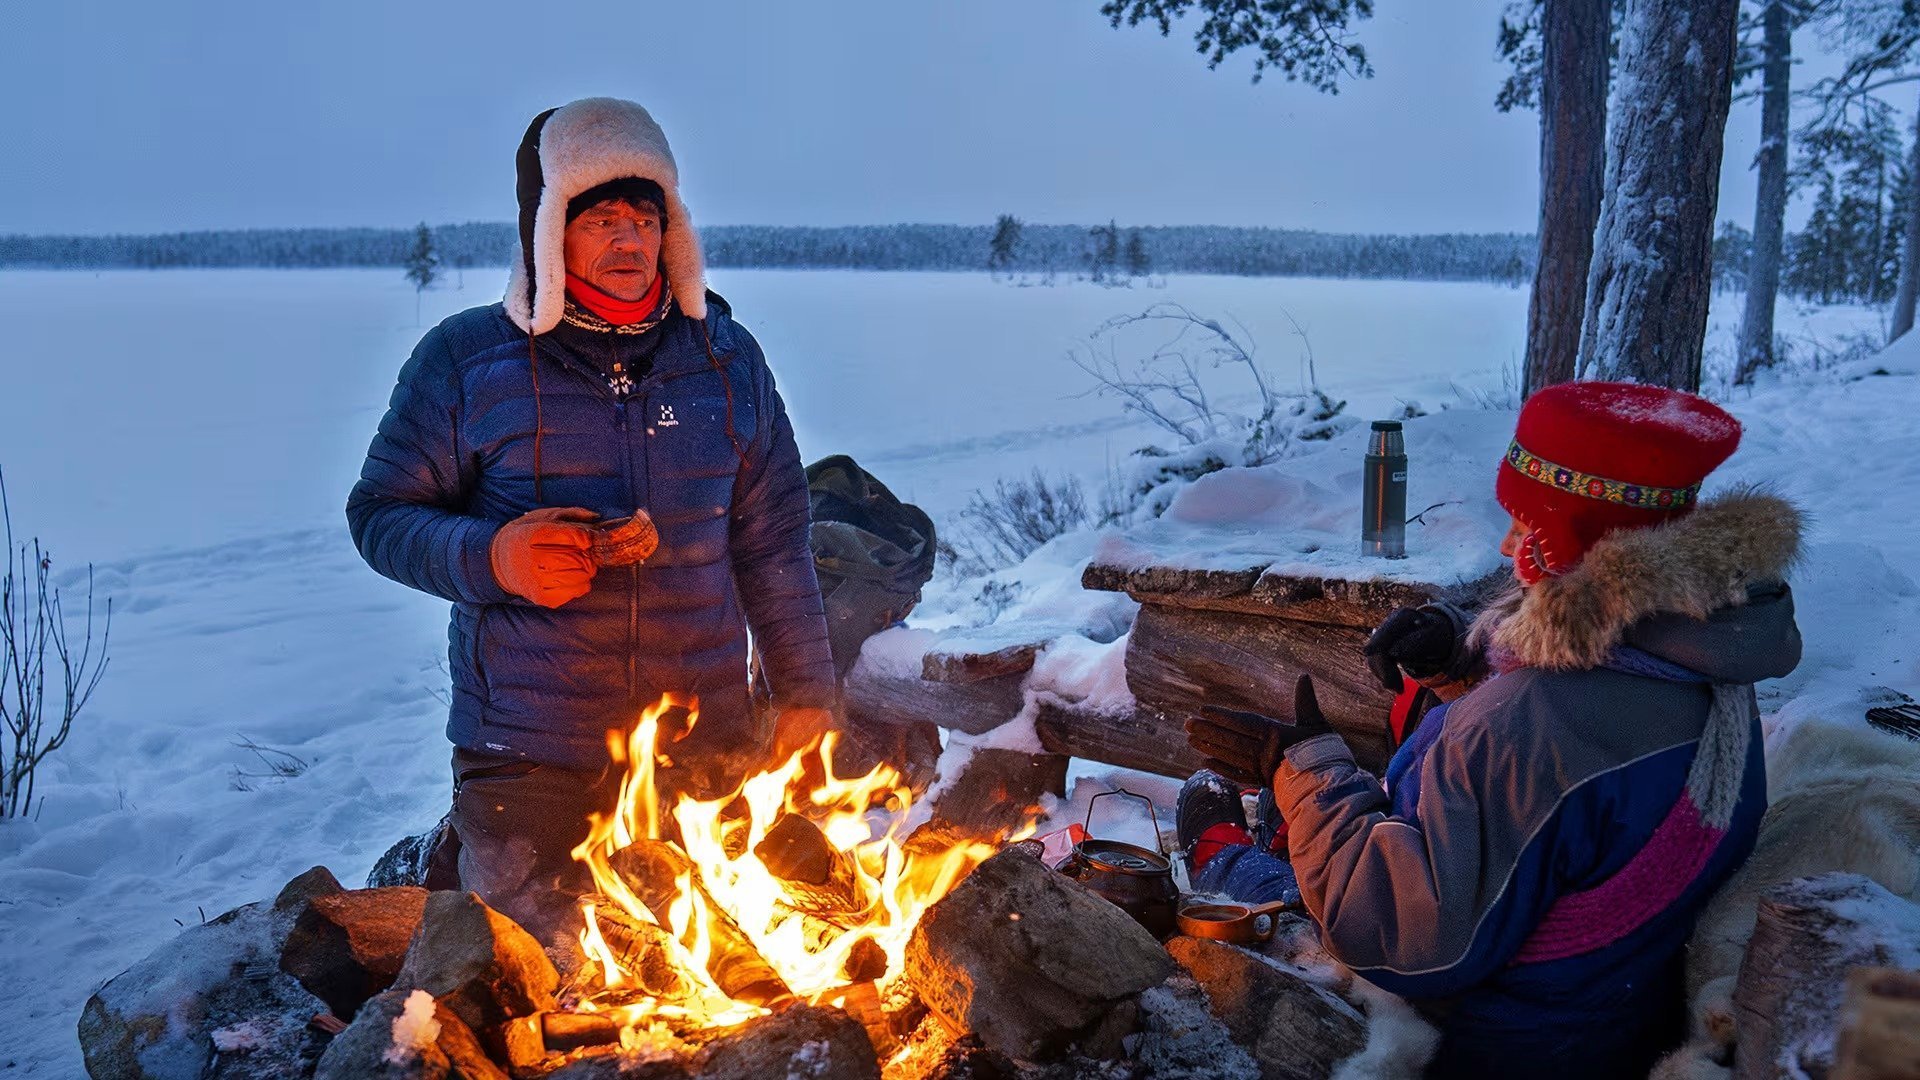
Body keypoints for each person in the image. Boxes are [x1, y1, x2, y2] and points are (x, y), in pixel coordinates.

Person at [1179, 382, 1802, 1078]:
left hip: (1482, 1037)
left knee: (1238, 881)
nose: (1507, 543)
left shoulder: (1527, 725)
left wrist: (1308, 769)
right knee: (1293, 823)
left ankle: (1219, 851)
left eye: (1527, 524)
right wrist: (1462, 657)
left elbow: (1399, 937)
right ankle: (1275, 832)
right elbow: (1566, 785)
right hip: (1608, 1009)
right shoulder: (1712, 663)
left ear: (1584, 544)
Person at [347, 97, 836, 944]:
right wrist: (495, 556)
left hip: (702, 742)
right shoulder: (468, 361)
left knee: (712, 962)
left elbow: (774, 545)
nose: (628, 242)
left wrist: (805, 693)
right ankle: (447, 856)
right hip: (529, 752)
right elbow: (381, 515)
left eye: (645, 219)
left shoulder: (726, 360)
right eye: (601, 220)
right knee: (535, 962)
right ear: (547, 232)